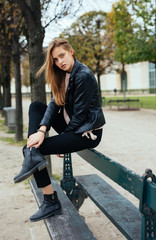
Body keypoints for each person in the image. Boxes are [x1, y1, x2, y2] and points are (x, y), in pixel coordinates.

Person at [14, 38, 105, 222]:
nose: (59, 61)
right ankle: (32, 151)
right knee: (35, 107)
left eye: (62, 55)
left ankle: (50, 201)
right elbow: (53, 105)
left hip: (87, 133)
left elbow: (79, 117)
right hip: (72, 126)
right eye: (55, 59)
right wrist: (41, 130)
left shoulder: (83, 75)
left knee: (33, 150)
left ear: (71, 52)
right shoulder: (63, 75)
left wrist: (62, 140)